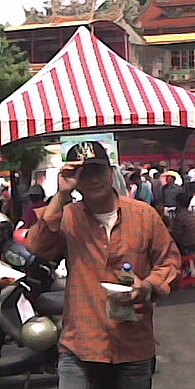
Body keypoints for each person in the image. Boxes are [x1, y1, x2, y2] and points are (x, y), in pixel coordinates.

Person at [26, 141, 180, 389]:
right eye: (84, 174)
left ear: (110, 173)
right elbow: (37, 247)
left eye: (98, 171)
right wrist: (62, 194)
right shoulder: (68, 216)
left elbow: (169, 261)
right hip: (80, 347)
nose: (94, 180)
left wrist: (148, 287)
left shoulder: (143, 215)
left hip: (133, 347)